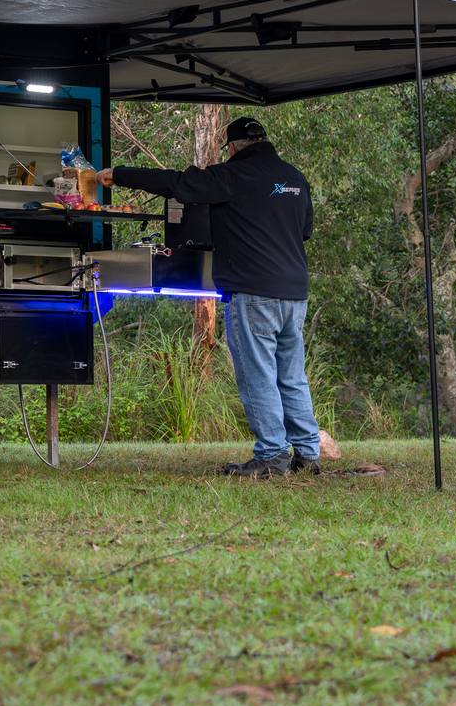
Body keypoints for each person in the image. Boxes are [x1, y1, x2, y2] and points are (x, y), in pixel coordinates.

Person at [100, 116, 320, 478]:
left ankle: (272, 455)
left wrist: (118, 174)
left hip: (253, 291)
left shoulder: (234, 176)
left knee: (257, 374)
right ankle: (307, 452)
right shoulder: (295, 178)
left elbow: (178, 183)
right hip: (294, 293)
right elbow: (305, 231)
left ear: (232, 148)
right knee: (291, 374)